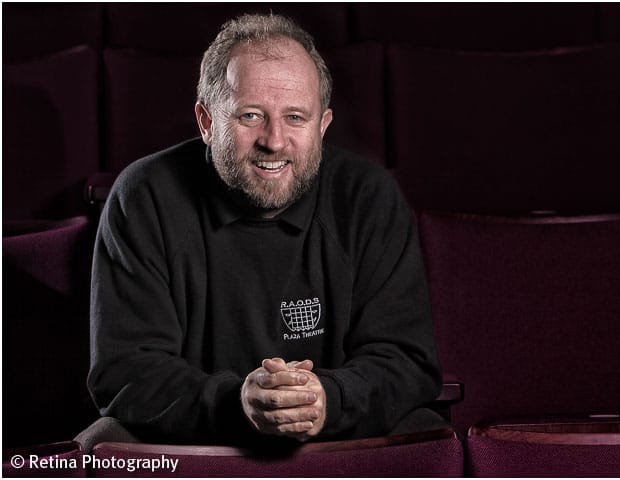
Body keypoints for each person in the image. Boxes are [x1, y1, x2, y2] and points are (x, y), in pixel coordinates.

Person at [83, 13, 443, 448]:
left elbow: (407, 361)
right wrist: (237, 403)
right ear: (206, 121)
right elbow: (126, 373)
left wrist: (326, 400)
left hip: (338, 447)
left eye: (295, 118)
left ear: (323, 126)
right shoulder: (143, 197)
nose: (273, 141)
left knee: (428, 435)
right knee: (100, 443)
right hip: (197, 448)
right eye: (251, 115)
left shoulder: (368, 198)